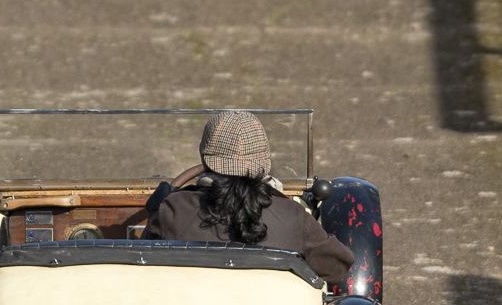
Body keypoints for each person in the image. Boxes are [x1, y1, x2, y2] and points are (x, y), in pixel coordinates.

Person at [132, 109, 354, 285]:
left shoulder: (174, 208)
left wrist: (156, 211)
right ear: (264, 161)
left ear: (206, 159)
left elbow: (143, 264)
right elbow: (337, 267)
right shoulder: (293, 215)